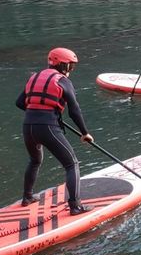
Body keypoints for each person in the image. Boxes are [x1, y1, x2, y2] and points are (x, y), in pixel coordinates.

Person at [15, 47, 95, 216]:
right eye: (70, 66)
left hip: (28, 126)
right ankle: (75, 206)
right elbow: (74, 111)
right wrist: (84, 133)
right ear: (62, 65)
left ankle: (27, 197)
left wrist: (39, 113)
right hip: (47, 127)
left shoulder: (34, 77)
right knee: (71, 164)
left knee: (34, 160)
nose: (71, 70)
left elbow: (20, 103)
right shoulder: (63, 81)